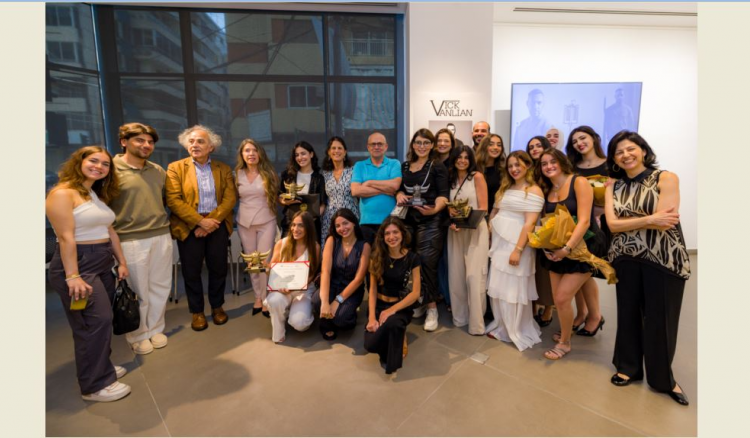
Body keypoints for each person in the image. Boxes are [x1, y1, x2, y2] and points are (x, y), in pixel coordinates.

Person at [604, 131, 691, 406]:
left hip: (663, 258)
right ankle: (628, 367)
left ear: (643, 150)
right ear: (614, 158)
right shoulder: (613, 186)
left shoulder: (665, 178)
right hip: (626, 258)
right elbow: (612, 226)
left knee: (660, 320)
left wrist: (628, 222)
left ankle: (664, 379)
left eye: (630, 149)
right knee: (627, 314)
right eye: (619, 152)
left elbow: (666, 222)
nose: (625, 155)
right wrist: (649, 219)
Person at [46, 146, 132, 402]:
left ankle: (101, 367)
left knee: (101, 321)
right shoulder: (62, 193)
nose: (99, 167)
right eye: (93, 161)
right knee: (93, 323)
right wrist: (73, 276)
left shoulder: (93, 193)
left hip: (102, 262)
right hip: (78, 265)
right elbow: (65, 237)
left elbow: (110, 231)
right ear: (79, 162)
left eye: (105, 164)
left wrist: (121, 261)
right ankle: (94, 386)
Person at [535, 148, 606, 360]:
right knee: (560, 299)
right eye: (544, 163)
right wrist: (547, 247)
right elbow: (547, 223)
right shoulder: (547, 188)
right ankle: (575, 325)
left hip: (583, 246)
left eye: (552, 162)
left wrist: (566, 249)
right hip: (557, 248)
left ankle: (565, 343)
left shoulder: (578, 182)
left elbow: (584, 221)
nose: (549, 166)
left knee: (562, 297)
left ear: (562, 162)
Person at [110, 122, 173, 355]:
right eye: (139, 140)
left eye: (150, 142)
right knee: (137, 290)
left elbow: (165, 200)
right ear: (123, 142)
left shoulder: (157, 171)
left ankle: (155, 328)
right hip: (129, 239)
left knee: (160, 286)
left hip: (161, 235)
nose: (146, 145)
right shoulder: (110, 170)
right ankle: (137, 334)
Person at [166, 125, 236, 331]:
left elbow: (230, 199)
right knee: (191, 271)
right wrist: (199, 222)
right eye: (191, 141)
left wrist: (209, 223)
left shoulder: (223, 169)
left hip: (217, 225)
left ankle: (217, 306)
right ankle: (197, 311)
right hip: (188, 226)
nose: (194, 145)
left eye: (200, 141)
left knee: (218, 268)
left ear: (211, 147)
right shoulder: (175, 168)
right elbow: (173, 200)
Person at [485, 151, 544, 350]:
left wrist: (518, 250)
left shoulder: (534, 190)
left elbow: (530, 223)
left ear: (528, 165)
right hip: (500, 243)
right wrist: (490, 230)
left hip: (517, 243)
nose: (514, 169)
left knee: (513, 286)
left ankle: (514, 328)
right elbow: (495, 210)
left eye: (518, 165)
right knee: (499, 285)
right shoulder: (506, 187)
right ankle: (501, 324)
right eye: (510, 166)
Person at [396, 128, 450, 332]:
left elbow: (444, 195)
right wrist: (399, 193)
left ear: (432, 145)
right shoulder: (405, 166)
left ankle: (432, 308)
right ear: (413, 144)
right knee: (412, 262)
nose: (422, 146)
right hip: (407, 220)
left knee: (427, 262)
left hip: (431, 220)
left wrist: (434, 209)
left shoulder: (437, 166)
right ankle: (420, 298)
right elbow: (399, 188)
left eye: (426, 143)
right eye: (418, 142)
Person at [364, 217, 422, 375]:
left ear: (402, 234)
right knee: (370, 345)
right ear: (382, 237)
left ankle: (397, 332)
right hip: (379, 305)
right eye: (387, 233)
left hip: (400, 307)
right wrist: (371, 317)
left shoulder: (413, 258)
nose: (392, 237)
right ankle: (396, 335)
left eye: (395, 232)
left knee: (392, 328)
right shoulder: (376, 257)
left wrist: (391, 310)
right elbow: (372, 290)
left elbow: (416, 293)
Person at [565, 126, 608, 335]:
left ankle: (594, 316)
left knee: (586, 272)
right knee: (578, 270)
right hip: (578, 225)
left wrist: (598, 213)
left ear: (594, 138)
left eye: (583, 138)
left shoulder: (610, 165)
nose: (579, 143)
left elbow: (617, 197)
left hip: (602, 224)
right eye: (574, 141)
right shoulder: (573, 167)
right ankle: (582, 313)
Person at [446, 146, 489, 335]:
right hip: (455, 231)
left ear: (471, 160)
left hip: (476, 229)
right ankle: (460, 317)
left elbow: (484, 208)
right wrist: (452, 219)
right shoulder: (450, 179)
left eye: (466, 157)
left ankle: (476, 323)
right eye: (459, 157)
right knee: (456, 275)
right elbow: (448, 207)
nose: (462, 160)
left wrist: (466, 221)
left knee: (474, 276)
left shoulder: (477, 177)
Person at [234, 138, 278, 318]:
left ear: (260, 153)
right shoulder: (236, 174)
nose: (251, 154)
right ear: (242, 154)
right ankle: (258, 297)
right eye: (247, 150)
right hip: (245, 223)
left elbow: (277, 198)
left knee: (265, 261)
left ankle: (266, 299)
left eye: (254, 150)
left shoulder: (270, 173)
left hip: (267, 220)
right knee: (252, 262)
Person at [312, 208, 370, 340]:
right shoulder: (332, 240)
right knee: (316, 300)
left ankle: (343, 316)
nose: (342, 228)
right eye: (337, 225)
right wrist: (325, 302)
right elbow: (325, 271)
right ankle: (326, 322)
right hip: (332, 284)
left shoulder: (364, 246)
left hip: (351, 290)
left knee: (342, 319)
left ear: (353, 222)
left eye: (345, 223)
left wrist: (337, 300)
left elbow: (359, 279)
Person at [265, 211, 320, 343]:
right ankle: (278, 332)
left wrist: (294, 287)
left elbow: (312, 274)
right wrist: (264, 267)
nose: (295, 229)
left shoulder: (315, 247)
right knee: (274, 300)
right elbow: (272, 269)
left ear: (308, 228)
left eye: (300, 225)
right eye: (293, 225)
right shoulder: (281, 243)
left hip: (303, 290)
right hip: (282, 288)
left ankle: (294, 310)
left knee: (300, 324)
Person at [525, 136, 555, 327]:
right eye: (531, 147)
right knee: (532, 267)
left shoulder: (550, 168)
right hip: (530, 221)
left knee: (546, 269)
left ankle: (549, 307)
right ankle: (534, 306)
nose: (534, 149)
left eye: (538, 146)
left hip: (548, 221)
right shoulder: (528, 171)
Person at [350, 132, 402, 243]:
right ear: (368, 147)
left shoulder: (394, 164)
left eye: (380, 144)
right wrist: (385, 190)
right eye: (373, 144)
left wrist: (369, 182)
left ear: (386, 146)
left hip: (390, 223)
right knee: (368, 254)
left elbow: (395, 186)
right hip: (366, 223)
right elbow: (355, 190)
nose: (376, 147)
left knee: (388, 254)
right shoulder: (360, 165)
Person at [279, 141, 327, 238]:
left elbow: (322, 204)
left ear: (311, 154)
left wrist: (311, 219)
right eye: (297, 155)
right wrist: (285, 201)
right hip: (290, 224)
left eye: (303, 153)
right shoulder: (288, 176)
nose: (300, 157)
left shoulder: (319, 178)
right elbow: (280, 196)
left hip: (311, 226)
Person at [320, 136, 359, 247]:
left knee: (351, 248)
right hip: (330, 218)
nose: (336, 151)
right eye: (333, 148)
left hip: (350, 216)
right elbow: (323, 199)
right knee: (330, 248)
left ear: (345, 152)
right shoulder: (324, 174)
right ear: (329, 152)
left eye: (340, 148)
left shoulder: (353, 171)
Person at [434, 128, 457, 312]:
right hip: (433, 215)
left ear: (452, 143)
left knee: (449, 260)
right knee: (438, 260)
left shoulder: (456, 163)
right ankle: (440, 293)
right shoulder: (431, 162)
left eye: (446, 141)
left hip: (451, 216)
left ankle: (451, 298)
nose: (442, 144)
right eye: (439, 140)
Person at [475, 133, 506, 212]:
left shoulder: (504, 170)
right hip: (477, 214)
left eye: (499, 145)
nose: (495, 147)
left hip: (497, 213)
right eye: (491, 144)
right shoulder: (474, 168)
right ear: (484, 147)